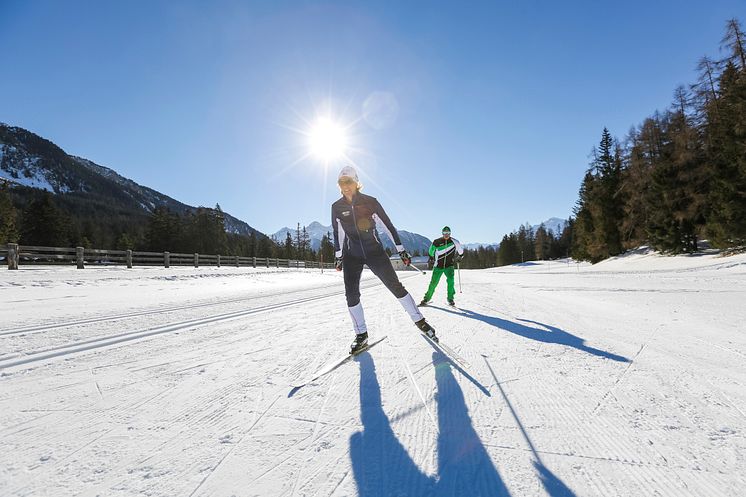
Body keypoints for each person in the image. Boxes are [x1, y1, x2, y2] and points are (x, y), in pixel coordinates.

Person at [332, 165, 436, 353]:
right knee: (351, 294)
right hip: (352, 255)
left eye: (348, 182)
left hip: (375, 252)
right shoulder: (337, 207)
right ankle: (361, 334)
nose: (345, 186)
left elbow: (388, 225)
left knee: (395, 286)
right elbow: (337, 232)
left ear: (356, 183)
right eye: (341, 183)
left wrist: (401, 250)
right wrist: (339, 256)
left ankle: (420, 321)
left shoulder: (371, 202)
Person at [420, 226, 464, 307]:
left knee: (451, 281)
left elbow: (461, 251)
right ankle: (426, 298)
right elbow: (431, 251)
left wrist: (460, 257)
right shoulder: (437, 242)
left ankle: (450, 299)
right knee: (433, 283)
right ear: (442, 233)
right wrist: (431, 257)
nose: (446, 235)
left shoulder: (454, 242)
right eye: (444, 233)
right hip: (438, 266)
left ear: (450, 233)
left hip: (449, 266)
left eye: (448, 233)